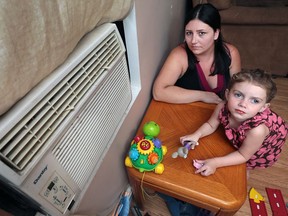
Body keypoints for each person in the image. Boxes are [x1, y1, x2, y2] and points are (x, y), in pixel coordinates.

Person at [180, 69, 288, 176]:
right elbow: (210, 125)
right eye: (238, 95)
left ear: (263, 107)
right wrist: (196, 135)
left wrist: (215, 162)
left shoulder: (257, 130)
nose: (243, 104)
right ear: (227, 94)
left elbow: (243, 155)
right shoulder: (222, 106)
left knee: (239, 171)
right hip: (245, 137)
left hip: (257, 146)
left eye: (255, 101)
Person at [153, 3, 241, 104]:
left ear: (216, 33)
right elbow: (158, 92)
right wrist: (202, 95)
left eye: (201, 33)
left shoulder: (231, 53)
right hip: (185, 113)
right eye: (189, 33)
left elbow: (239, 91)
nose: (193, 41)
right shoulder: (179, 55)